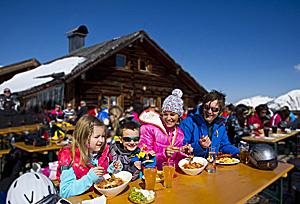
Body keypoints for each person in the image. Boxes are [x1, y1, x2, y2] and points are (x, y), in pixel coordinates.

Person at [57, 115, 122, 199]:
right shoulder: (70, 159)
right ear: (83, 138)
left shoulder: (102, 153)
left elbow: (105, 176)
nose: (102, 140)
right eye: (96, 137)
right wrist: (89, 178)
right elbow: (64, 192)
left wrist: (113, 169)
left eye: (103, 136)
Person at [139, 89, 192, 170]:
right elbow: (143, 157)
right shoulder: (148, 128)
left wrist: (182, 152)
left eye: (172, 114)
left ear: (179, 115)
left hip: (170, 174)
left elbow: (176, 161)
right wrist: (163, 154)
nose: (168, 118)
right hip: (152, 174)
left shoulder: (179, 133)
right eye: (165, 114)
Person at [179, 90, 239, 157]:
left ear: (220, 111)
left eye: (214, 109)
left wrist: (239, 153)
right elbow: (181, 148)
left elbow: (224, 146)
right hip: (192, 165)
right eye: (207, 107)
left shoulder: (220, 125)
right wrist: (199, 146)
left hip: (212, 165)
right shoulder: (188, 123)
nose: (209, 112)